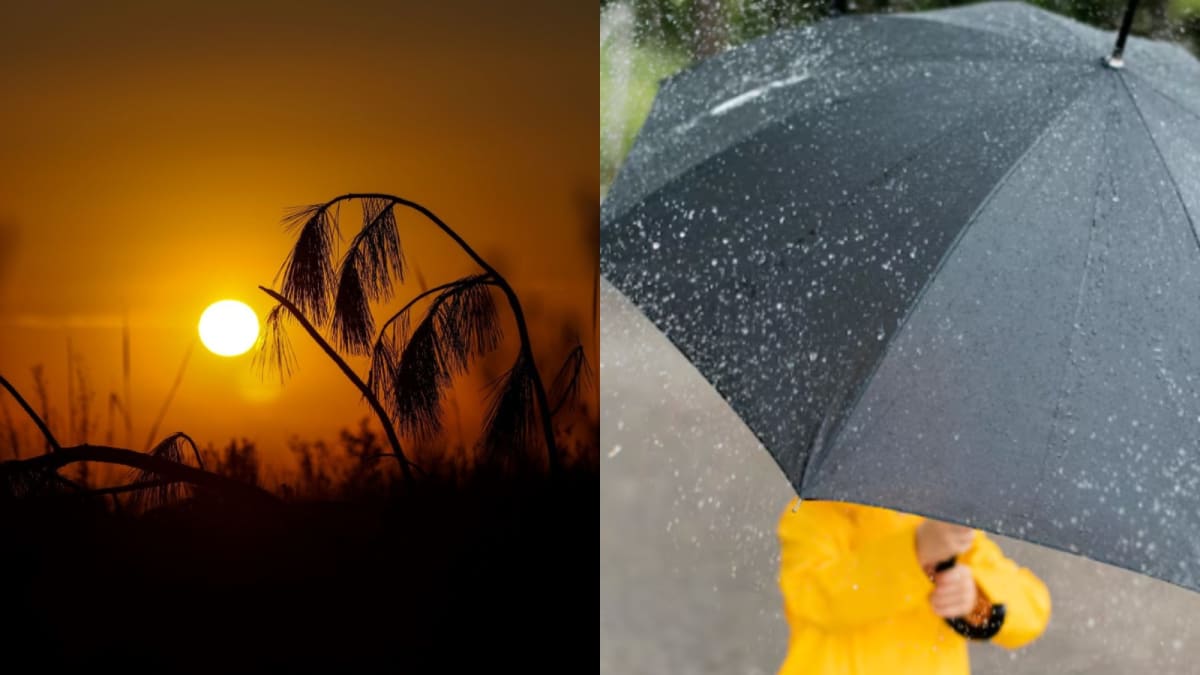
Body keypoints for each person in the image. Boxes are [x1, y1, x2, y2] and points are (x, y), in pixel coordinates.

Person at [776, 498, 1051, 674]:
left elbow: (1032, 608)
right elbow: (817, 597)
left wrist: (976, 599)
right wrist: (915, 551)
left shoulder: (944, 521)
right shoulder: (814, 512)